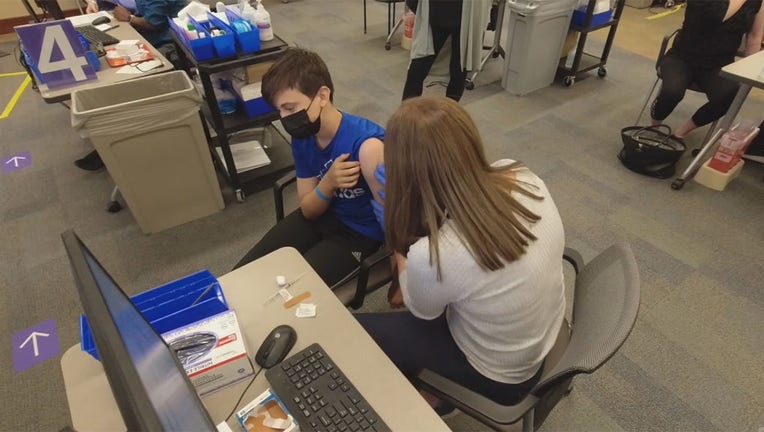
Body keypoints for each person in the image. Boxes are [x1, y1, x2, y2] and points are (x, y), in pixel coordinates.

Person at [356, 97, 566, 412]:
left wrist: (399, 245)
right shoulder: (520, 174)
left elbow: (419, 309)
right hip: (540, 337)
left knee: (352, 333)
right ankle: (438, 389)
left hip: (499, 377)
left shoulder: (436, 255)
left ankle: (439, 396)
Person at [234, 48, 386, 289]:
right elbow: (308, 210)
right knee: (245, 273)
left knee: (289, 293)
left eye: (290, 108)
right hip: (323, 216)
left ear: (322, 96)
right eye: (280, 110)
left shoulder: (367, 146)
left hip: (360, 235)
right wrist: (328, 184)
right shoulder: (303, 135)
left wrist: (402, 270)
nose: (284, 118)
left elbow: (397, 215)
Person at [77, 0, 186, 171]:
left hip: (170, 44)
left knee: (126, 80)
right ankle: (115, 142)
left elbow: (153, 23)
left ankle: (120, 143)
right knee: (116, 71)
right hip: (153, 38)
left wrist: (129, 18)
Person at [650, 0, 764, 138]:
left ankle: (682, 132)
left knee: (729, 96)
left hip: (718, 64)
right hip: (682, 57)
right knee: (672, 92)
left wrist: (748, 72)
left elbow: (754, 37)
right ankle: (654, 126)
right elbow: (717, 15)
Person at [402, 0, 490, 102]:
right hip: (439, 13)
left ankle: (450, 109)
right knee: (419, 64)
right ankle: (408, 109)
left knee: (459, 67)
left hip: (466, 14)